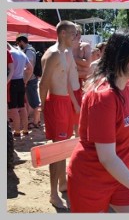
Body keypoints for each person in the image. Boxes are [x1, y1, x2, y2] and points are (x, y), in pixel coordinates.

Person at [66, 30, 129, 213]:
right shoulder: (104, 97)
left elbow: (119, 132)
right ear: (123, 58)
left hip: (120, 173)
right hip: (91, 179)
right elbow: (107, 158)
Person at [39, 21, 78, 209]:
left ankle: (63, 183)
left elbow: (68, 82)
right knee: (57, 151)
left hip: (65, 103)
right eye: (72, 34)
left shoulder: (67, 53)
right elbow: (43, 84)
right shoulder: (53, 54)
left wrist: (76, 105)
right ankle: (53, 194)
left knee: (64, 147)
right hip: (54, 103)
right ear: (62, 33)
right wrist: (42, 110)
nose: (75, 37)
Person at [16, 35, 41, 129]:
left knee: (34, 102)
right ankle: (36, 121)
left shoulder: (29, 51)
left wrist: (25, 81)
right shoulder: (30, 50)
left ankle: (35, 122)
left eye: (18, 43)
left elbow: (30, 68)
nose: (18, 45)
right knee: (33, 101)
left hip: (30, 79)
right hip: (31, 79)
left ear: (22, 41)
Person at [7, 43, 32, 137]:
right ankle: (25, 130)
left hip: (12, 82)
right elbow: (30, 68)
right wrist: (26, 80)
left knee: (13, 108)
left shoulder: (10, 53)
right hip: (21, 81)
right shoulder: (21, 53)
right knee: (22, 106)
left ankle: (17, 131)